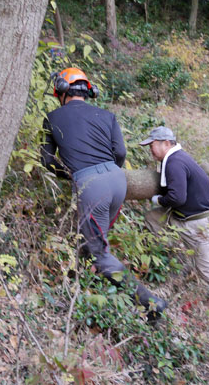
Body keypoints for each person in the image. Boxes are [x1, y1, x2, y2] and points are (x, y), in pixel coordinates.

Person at [40, 67, 167, 320]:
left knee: (99, 252)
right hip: (117, 180)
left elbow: (46, 160)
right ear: (88, 91)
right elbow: (120, 153)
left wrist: (73, 173)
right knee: (93, 242)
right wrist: (106, 172)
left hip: (91, 185)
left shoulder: (51, 118)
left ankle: (150, 303)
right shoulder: (107, 116)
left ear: (62, 92)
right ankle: (85, 286)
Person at [139, 126, 209, 326]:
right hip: (185, 216)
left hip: (200, 222)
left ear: (166, 143)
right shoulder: (174, 158)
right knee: (152, 219)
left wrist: (157, 199)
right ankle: (170, 256)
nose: (150, 150)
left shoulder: (175, 162)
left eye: (152, 145)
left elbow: (177, 197)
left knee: (207, 269)